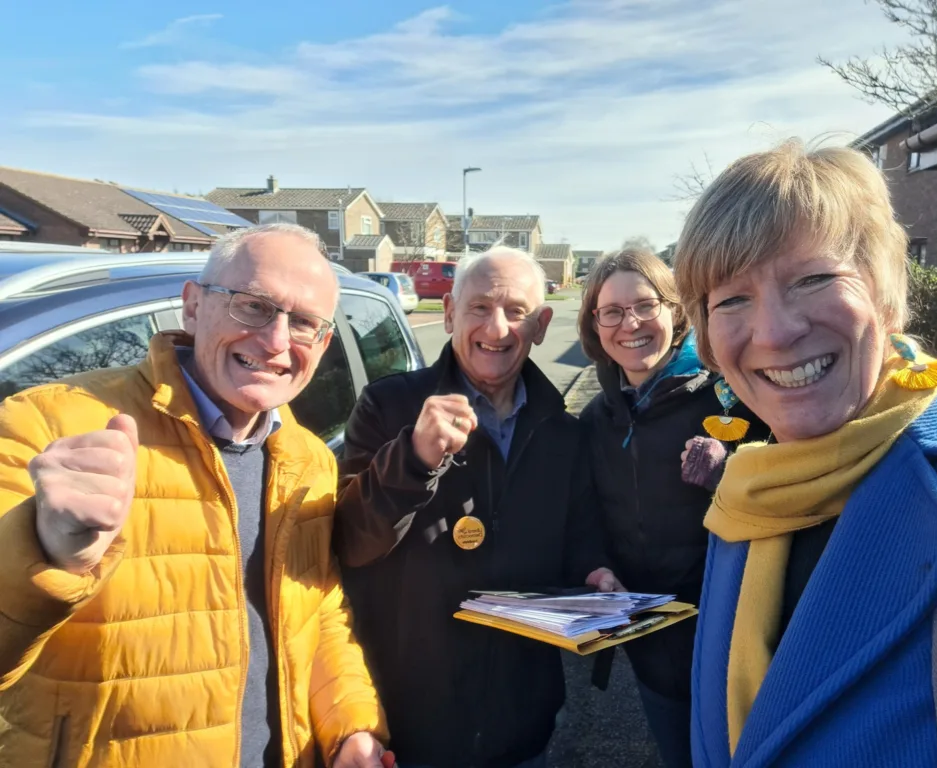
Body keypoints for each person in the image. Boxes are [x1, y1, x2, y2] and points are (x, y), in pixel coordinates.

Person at [674, 140, 937, 767]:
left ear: (885, 293)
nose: (775, 331)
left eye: (813, 278)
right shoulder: (750, 497)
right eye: (731, 298)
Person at [0, 223, 389, 767]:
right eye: (253, 306)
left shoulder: (309, 460)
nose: (277, 341)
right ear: (192, 306)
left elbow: (318, 615)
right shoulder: (47, 426)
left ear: (323, 345)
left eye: (303, 323)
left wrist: (350, 728)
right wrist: (46, 552)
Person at [334, 246, 622, 768]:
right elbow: (350, 542)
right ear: (448, 312)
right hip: (409, 717)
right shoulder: (388, 407)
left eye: (517, 311)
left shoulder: (561, 431)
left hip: (522, 715)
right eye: (479, 308)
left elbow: (579, 533)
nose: (497, 328)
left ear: (541, 325)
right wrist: (413, 460)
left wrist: (595, 573)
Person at [576, 247, 765, 768]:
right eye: (611, 311)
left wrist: (732, 471)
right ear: (596, 323)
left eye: (645, 305)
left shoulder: (731, 395)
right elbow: (587, 514)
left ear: (675, 309)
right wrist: (598, 566)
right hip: (654, 644)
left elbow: (796, 478)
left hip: (737, 643)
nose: (629, 324)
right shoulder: (597, 419)